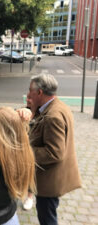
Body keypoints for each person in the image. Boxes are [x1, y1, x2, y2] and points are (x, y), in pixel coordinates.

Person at [27, 74, 82, 225]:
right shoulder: (57, 106)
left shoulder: (53, 116)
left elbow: (54, 153)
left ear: (39, 93)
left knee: (47, 218)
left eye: (30, 90)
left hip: (50, 181)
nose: (28, 94)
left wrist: (25, 151)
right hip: (53, 177)